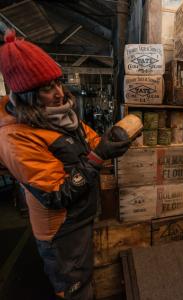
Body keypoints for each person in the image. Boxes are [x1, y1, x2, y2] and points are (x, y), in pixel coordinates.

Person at [0, 29, 130, 300]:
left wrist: (109, 143)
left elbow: (90, 141)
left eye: (58, 82)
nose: (59, 93)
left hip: (80, 219)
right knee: (74, 289)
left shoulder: (60, 117)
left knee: (84, 277)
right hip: (61, 230)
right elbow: (57, 195)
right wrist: (97, 157)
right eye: (48, 88)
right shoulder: (16, 136)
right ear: (27, 95)